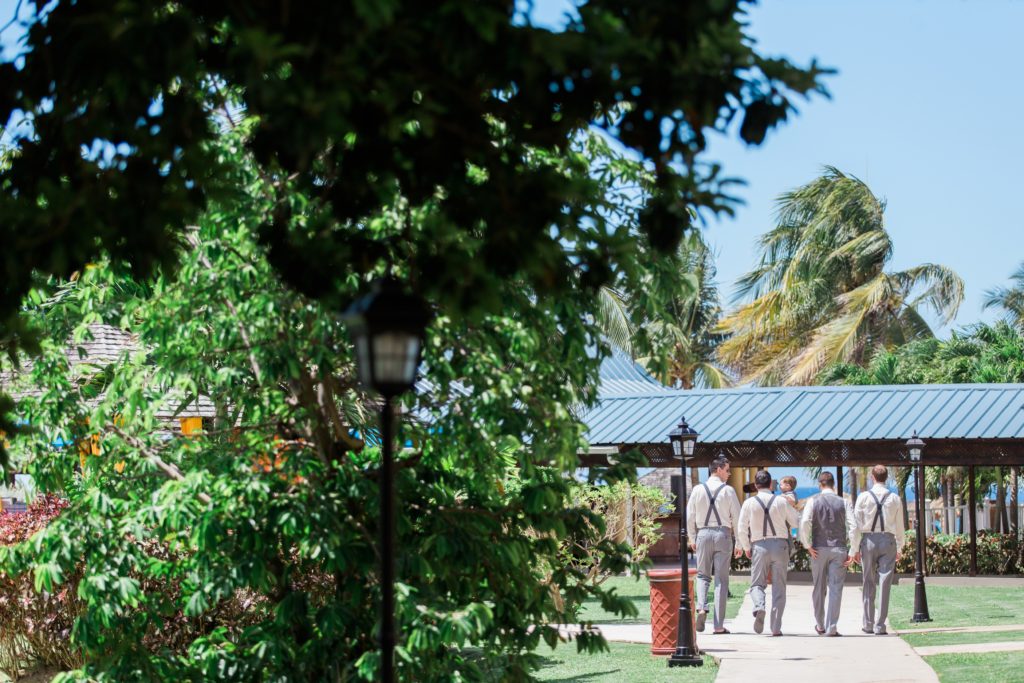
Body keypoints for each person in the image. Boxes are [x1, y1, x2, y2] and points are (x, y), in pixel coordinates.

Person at [738, 469, 799, 636]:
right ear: (771, 484)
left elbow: (741, 528)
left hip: (759, 545)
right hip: (780, 545)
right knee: (779, 587)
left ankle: (759, 606)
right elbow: (795, 522)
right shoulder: (781, 501)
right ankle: (776, 627)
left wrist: (746, 547)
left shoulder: (749, 503)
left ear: (756, 485)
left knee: (757, 584)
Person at [686, 454, 741, 634]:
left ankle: (702, 608)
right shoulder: (728, 491)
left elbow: (690, 516)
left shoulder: (697, 489)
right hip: (723, 534)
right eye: (727, 470)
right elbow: (737, 519)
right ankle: (718, 625)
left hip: (703, 534)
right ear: (717, 470)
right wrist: (740, 542)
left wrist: (692, 538)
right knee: (721, 580)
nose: (729, 474)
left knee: (702, 575)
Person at [799, 471, 856, 637]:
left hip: (818, 549)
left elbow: (804, 522)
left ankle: (820, 624)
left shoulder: (813, 501)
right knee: (836, 588)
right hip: (839, 549)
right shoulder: (844, 502)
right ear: (833, 485)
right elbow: (854, 526)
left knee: (818, 587)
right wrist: (853, 550)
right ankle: (832, 627)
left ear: (820, 485)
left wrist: (807, 544)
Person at [852, 465, 905, 635]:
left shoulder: (863, 497)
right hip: (888, 540)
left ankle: (868, 623)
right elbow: (900, 526)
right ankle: (880, 625)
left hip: (868, 540)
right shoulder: (895, 498)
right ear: (886, 477)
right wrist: (900, 546)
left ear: (872, 477)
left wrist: (855, 548)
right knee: (885, 583)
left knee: (868, 581)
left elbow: (856, 525)